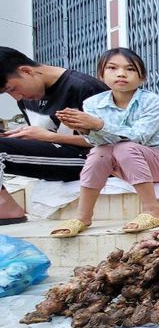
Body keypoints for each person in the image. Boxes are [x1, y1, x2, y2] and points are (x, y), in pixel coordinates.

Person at [50, 48, 159, 237]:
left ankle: (153, 211)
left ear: (142, 77)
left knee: (124, 147)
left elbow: (139, 137)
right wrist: (83, 128)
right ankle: (83, 217)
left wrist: (98, 124)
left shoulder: (152, 102)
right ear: (101, 75)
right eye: (112, 68)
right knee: (99, 152)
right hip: (123, 163)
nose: (121, 74)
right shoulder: (92, 103)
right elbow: (96, 141)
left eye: (130, 69)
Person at [0, 47, 108, 225]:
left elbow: (116, 141)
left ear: (26, 71)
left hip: (91, 160)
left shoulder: (85, 88)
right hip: (57, 156)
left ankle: (6, 208)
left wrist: (49, 137)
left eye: (12, 89)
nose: (16, 96)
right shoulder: (26, 98)